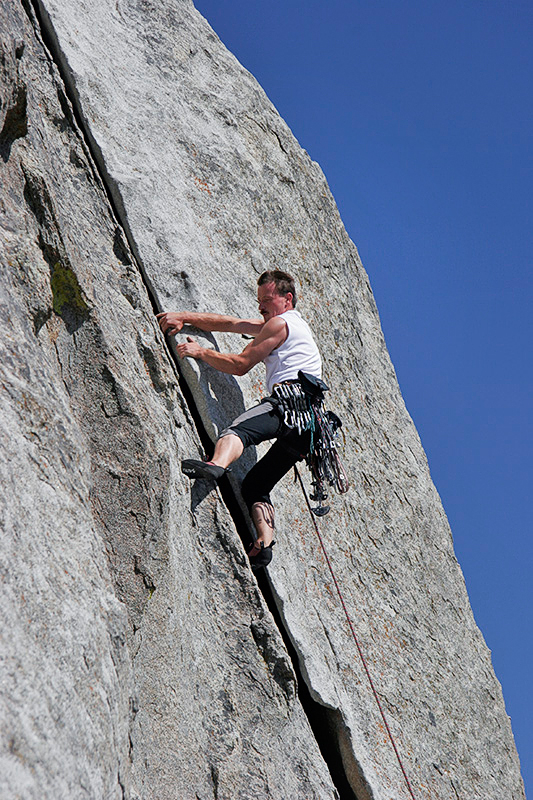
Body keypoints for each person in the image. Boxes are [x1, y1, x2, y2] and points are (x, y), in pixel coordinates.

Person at [157, 270, 322, 569]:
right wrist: (183, 316)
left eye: (267, 300)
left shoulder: (279, 324)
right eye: (259, 301)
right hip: (311, 427)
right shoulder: (291, 325)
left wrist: (200, 352)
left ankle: (216, 465)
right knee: (256, 486)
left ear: (288, 299)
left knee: (237, 431)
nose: (261, 307)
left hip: (288, 404)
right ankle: (264, 544)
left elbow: (241, 365)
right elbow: (232, 324)